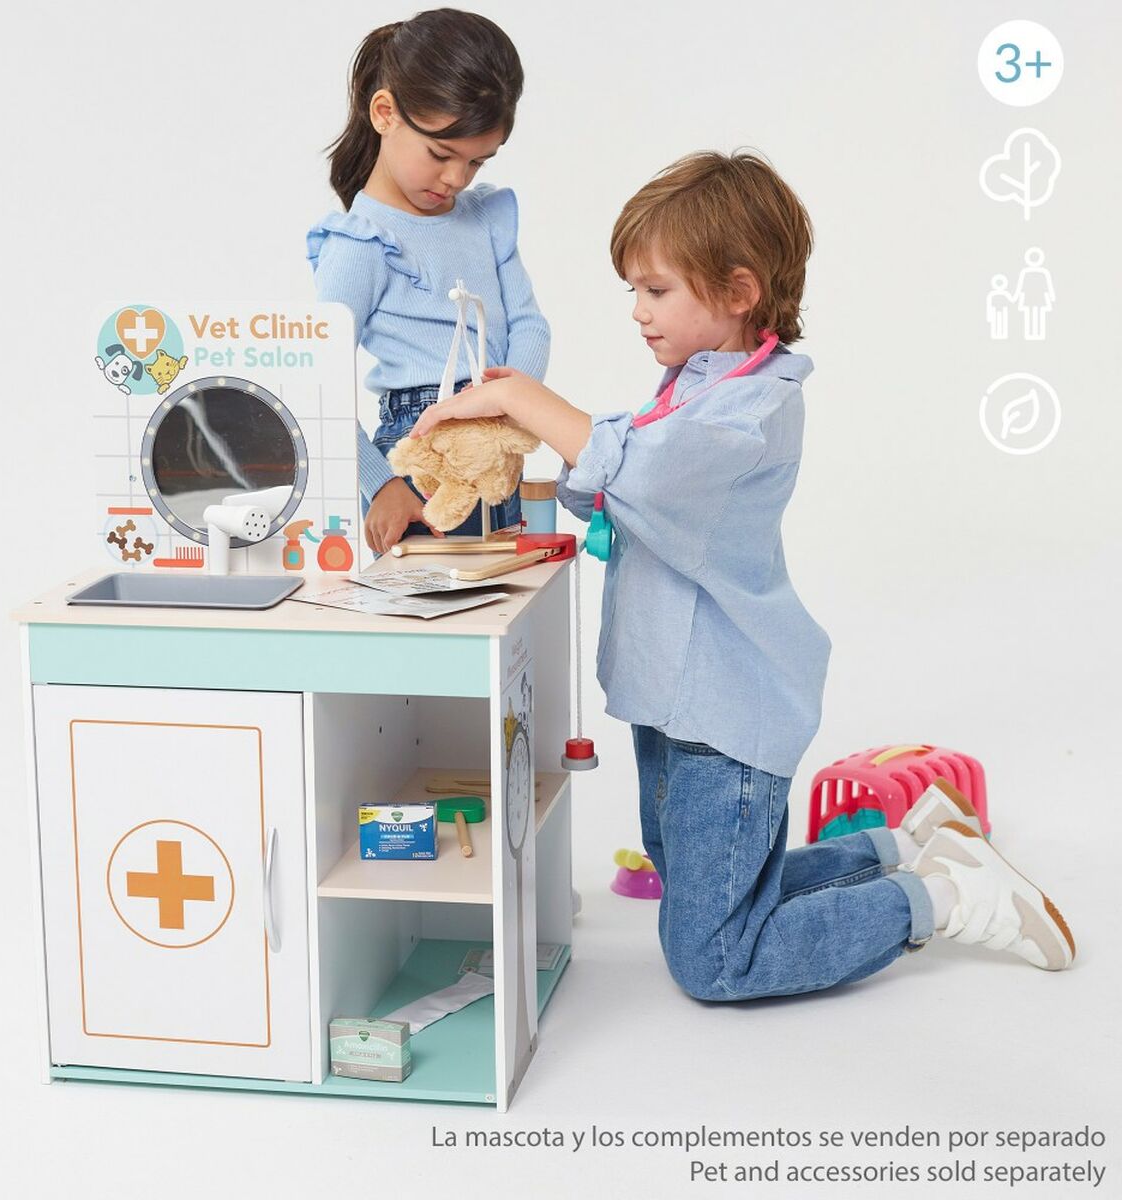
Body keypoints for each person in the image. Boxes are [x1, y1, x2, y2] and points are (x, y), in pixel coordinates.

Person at [412, 151, 1076, 998]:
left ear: (738, 291)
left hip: (723, 710)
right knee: (702, 886)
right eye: (633, 290)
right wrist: (534, 425)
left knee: (717, 957)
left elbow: (647, 472)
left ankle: (945, 899)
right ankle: (911, 846)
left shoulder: (751, 410)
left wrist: (530, 404)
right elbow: (616, 477)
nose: (638, 310)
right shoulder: (692, 386)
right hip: (673, 699)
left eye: (656, 290)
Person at [307, 8, 550, 554]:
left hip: (496, 449)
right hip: (420, 461)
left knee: (504, 595)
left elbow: (530, 325)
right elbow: (317, 386)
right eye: (441, 154)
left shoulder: (486, 219)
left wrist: (506, 412)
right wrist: (381, 484)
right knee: (434, 601)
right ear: (385, 113)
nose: (456, 179)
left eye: (477, 163)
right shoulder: (361, 244)